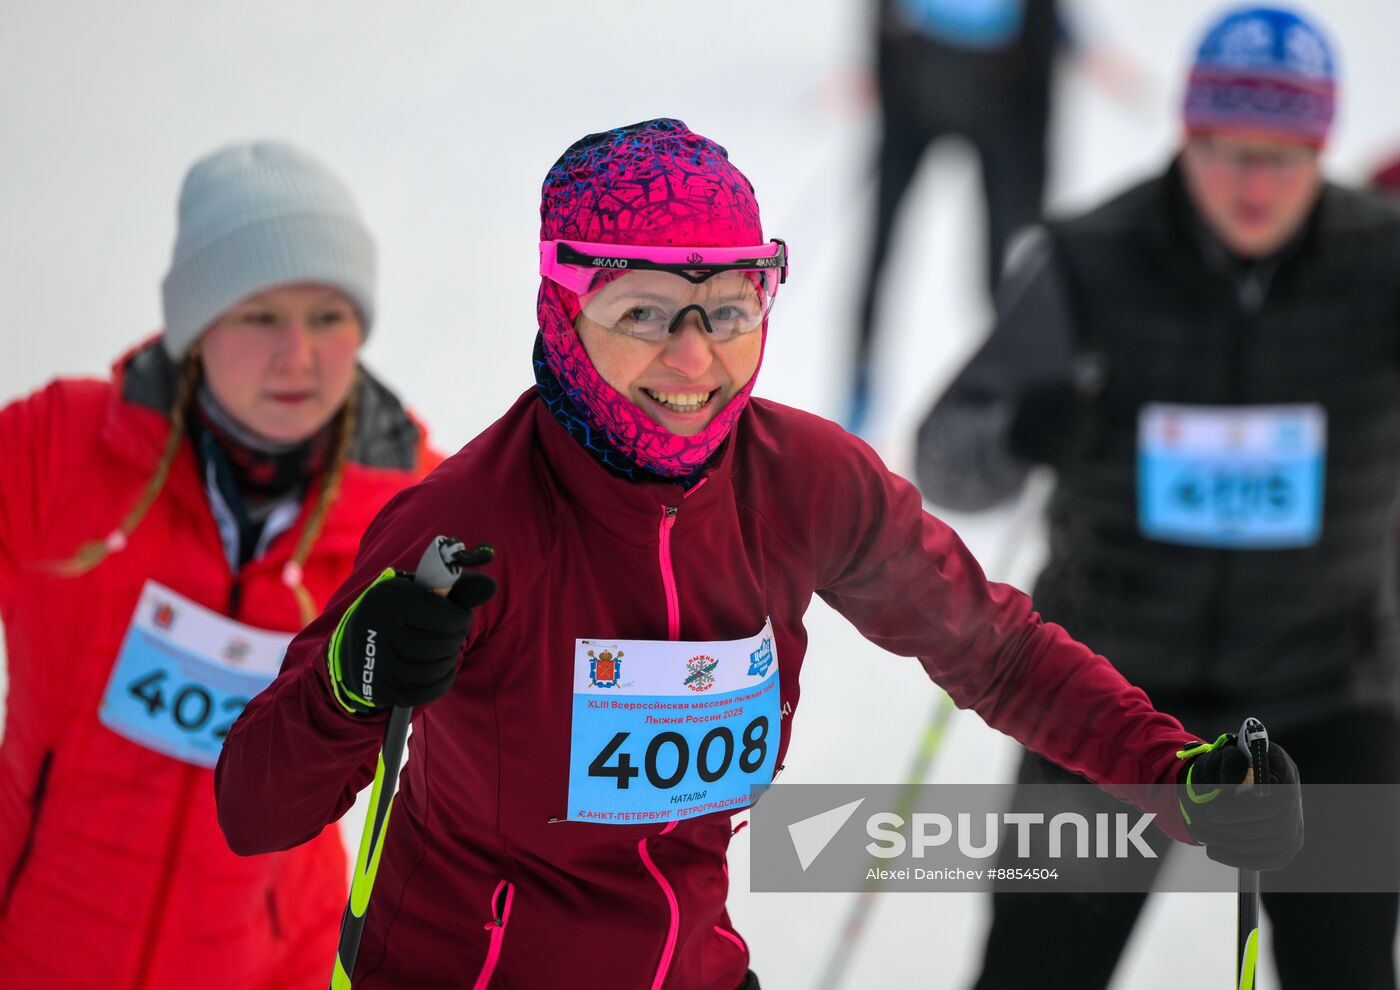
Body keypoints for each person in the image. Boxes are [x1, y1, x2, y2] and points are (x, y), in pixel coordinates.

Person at [215, 118, 1302, 990]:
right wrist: (352, 682)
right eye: (643, 311)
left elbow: (996, 654)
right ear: (563, 308)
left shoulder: (799, 482)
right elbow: (255, 807)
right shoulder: (469, 527)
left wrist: (1176, 775)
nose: (695, 359)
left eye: (729, 307)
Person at [916, 7, 1398, 988]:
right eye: (1224, 152)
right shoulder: (1084, 260)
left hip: (1326, 692)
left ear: (1322, 149)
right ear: (1185, 135)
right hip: (1104, 694)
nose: (1252, 184)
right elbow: (942, 458)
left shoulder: (1381, 267)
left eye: (1282, 156)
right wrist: (1017, 432)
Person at [0, 141, 440, 989]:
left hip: (266, 965)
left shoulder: (413, 520)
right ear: (198, 329)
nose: (298, 355)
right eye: (258, 315)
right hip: (32, 947)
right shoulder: (60, 450)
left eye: (327, 316)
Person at [847, 0, 1062, 432]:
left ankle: (1007, 400)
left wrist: (1038, 173)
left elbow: (1044, 29)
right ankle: (860, 386)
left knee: (1000, 269)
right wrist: (884, 70)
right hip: (915, 86)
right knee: (879, 250)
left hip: (997, 90)